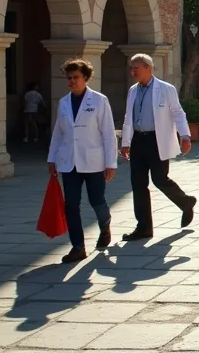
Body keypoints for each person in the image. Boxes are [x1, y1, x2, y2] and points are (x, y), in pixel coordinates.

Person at [119, 54, 195, 241]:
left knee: (160, 179)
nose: (133, 71)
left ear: (148, 67)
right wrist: (125, 143)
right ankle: (144, 227)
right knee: (138, 184)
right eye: (131, 68)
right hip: (138, 140)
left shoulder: (165, 89)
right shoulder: (133, 90)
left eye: (136, 67)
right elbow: (129, 117)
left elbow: (177, 112)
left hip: (156, 140)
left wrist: (185, 135)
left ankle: (186, 202)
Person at [47, 60, 117, 263]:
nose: (72, 81)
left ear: (85, 78)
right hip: (69, 161)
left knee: (97, 201)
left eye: (76, 77)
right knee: (71, 205)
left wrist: (111, 162)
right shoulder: (63, 102)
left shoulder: (99, 100)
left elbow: (108, 134)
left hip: (94, 160)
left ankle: (105, 225)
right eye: (69, 78)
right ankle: (78, 247)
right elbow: (58, 133)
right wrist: (52, 159)